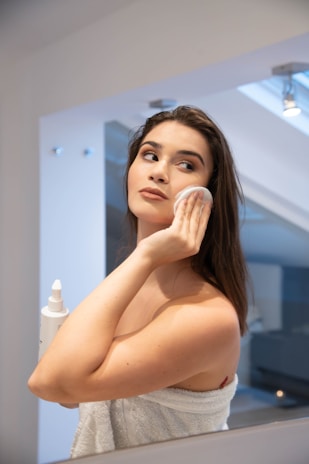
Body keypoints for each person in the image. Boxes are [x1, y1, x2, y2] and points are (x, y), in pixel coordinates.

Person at [28, 105, 248, 458]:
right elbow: (69, 399)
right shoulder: (133, 283)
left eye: (186, 164)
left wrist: (145, 255)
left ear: (208, 195)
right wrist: (143, 261)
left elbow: (52, 384)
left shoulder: (208, 316)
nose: (160, 172)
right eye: (150, 155)